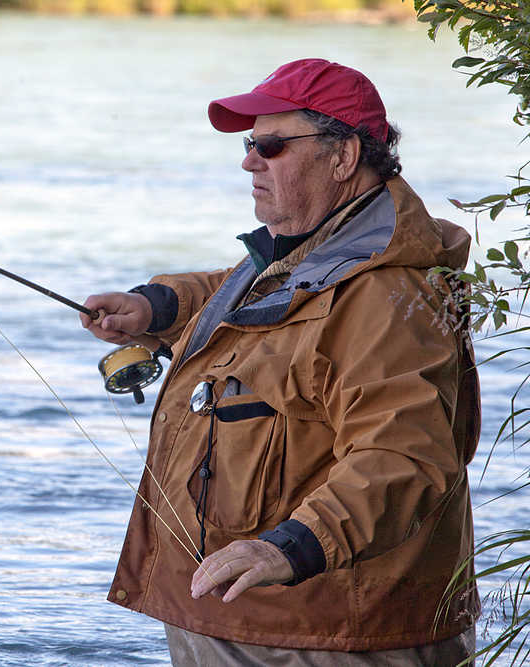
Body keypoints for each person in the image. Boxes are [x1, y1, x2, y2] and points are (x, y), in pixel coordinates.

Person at [80, 58, 481, 665]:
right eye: (249, 144)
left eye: (270, 145)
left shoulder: (383, 295)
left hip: (325, 634)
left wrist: (287, 549)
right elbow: (266, 312)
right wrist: (158, 306)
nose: (249, 161)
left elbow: (403, 456)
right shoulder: (312, 253)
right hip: (242, 613)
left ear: (343, 156)